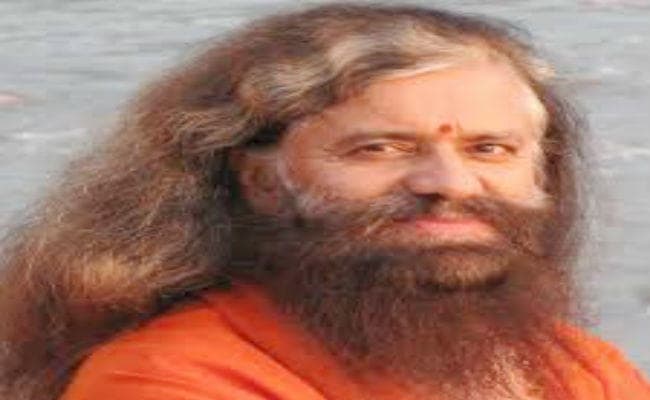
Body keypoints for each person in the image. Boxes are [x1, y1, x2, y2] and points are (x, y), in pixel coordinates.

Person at [0, 4, 648, 400]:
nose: (450, 182)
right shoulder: (170, 379)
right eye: (380, 149)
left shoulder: (579, 370)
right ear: (260, 180)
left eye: (490, 149)